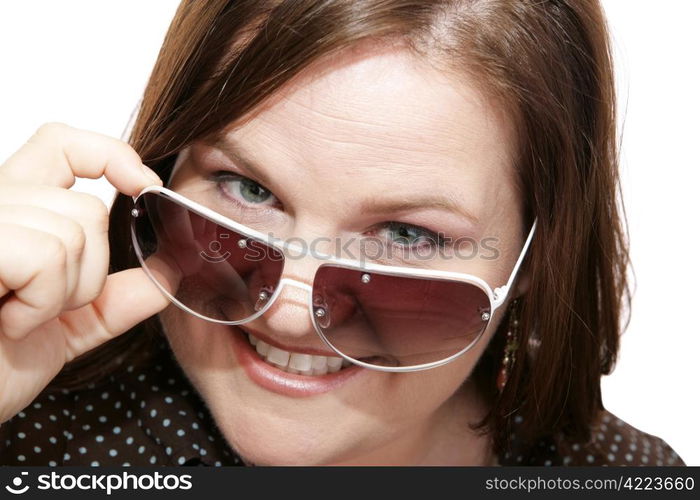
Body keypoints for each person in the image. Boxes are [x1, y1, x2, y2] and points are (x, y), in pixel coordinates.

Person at [0, 0, 685, 466]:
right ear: (161, 170)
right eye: (249, 189)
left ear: (540, 252)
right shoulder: (35, 438)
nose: (291, 311)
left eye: (406, 234)